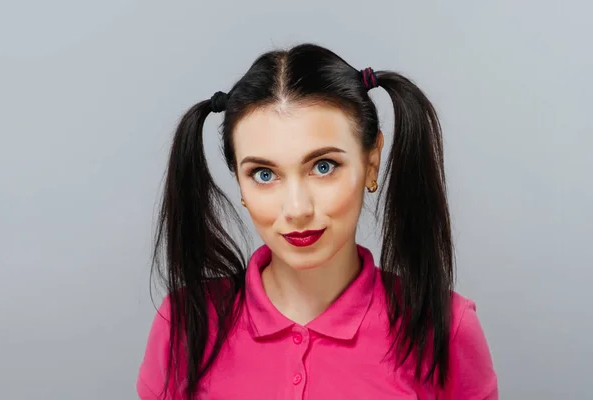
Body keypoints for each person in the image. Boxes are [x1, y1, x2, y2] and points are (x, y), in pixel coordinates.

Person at [136, 43, 498, 399]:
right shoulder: (182, 326)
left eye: (324, 167)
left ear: (371, 162)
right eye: (264, 174)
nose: (297, 208)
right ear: (239, 182)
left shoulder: (446, 328)